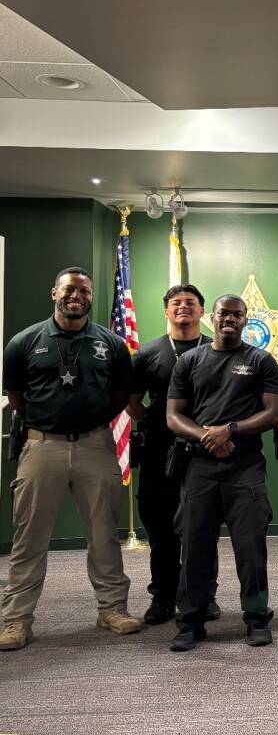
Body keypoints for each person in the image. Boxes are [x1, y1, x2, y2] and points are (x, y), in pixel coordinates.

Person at [0, 267, 140, 651]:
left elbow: (120, 396)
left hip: (96, 446)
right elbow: (17, 397)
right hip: (42, 446)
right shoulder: (24, 342)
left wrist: (90, 423)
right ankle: (17, 620)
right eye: (68, 290)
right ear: (54, 293)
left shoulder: (111, 344)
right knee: (29, 537)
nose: (76, 296)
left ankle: (112, 609)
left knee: (104, 533)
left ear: (91, 296)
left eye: (84, 291)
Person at [166, 294, 278, 651]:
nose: (230, 319)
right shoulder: (190, 360)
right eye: (224, 313)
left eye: (237, 314)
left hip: (244, 467)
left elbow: (272, 413)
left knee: (251, 548)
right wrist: (207, 436)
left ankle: (256, 618)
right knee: (195, 546)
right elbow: (173, 416)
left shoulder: (260, 360)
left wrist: (230, 430)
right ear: (212, 318)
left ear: (245, 320)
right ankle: (191, 621)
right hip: (199, 467)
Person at [127, 284, 220, 626]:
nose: (183, 307)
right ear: (166, 311)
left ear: (202, 311)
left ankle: (203, 595)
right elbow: (132, 401)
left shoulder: (217, 350)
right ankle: (163, 596)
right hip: (159, 454)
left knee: (203, 527)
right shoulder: (148, 353)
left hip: (205, 452)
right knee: (161, 528)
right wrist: (157, 423)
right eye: (176, 303)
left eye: (191, 302)